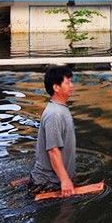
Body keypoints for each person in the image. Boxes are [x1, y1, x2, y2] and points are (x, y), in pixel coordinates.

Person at [30, 65, 77, 197]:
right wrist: (65, 180)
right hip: (49, 184)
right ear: (56, 87)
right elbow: (53, 151)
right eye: (67, 82)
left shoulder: (60, 109)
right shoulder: (55, 114)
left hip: (53, 180)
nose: (72, 85)